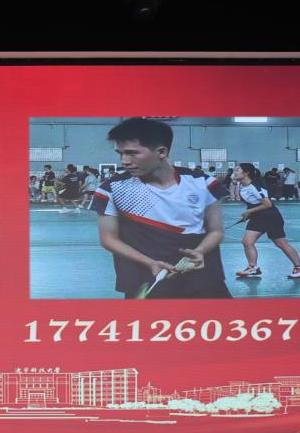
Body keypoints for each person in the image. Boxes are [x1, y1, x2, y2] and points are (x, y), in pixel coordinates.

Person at [92, 117, 230, 299]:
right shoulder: (112, 189)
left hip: (203, 279)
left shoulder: (203, 183)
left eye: (132, 153)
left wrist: (200, 251)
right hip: (146, 279)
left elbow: (216, 231)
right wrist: (150, 263)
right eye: (121, 153)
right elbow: (108, 239)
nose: (124, 161)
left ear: (162, 152)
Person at [231, 164, 300, 279]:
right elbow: (253, 204)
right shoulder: (242, 185)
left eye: (237, 170)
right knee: (247, 242)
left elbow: (267, 204)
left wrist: (249, 212)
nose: (234, 172)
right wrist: (249, 214)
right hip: (257, 217)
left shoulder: (255, 186)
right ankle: (253, 268)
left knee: (281, 243)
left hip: (271, 217)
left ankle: (299, 267)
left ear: (246, 173)